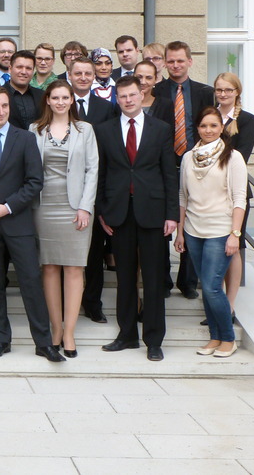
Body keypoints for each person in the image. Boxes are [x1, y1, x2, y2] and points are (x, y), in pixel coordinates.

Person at [0, 86, 62, 362]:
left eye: (4, 106)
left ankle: (43, 342)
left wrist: (7, 207)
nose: (0, 111)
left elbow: (35, 182)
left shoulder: (25, 139)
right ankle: (1, 339)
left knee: (31, 282)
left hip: (17, 223)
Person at [96, 76, 178, 362]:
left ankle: (154, 340)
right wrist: (102, 212)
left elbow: (170, 173)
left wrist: (172, 214)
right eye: (122, 96)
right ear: (116, 99)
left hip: (154, 213)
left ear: (142, 94)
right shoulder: (104, 131)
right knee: (125, 277)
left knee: (154, 279)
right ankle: (127, 335)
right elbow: (101, 174)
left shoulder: (161, 129)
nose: (128, 100)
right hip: (119, 213)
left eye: (132, 95)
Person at [30, 81, 99, 358]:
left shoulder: (86, 130)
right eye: (55, 97)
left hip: (76, 208)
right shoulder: (35, 130)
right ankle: (55, 329)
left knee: (73, 269)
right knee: (49, 268)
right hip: (44, 207)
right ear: (47, 100)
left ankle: (69, 332)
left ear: (72, 100)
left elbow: (93, 169)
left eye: (65, 97)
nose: (60, 102)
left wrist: (85, 207)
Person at [174, 107, 247, 358]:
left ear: (221, 128)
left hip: (220, 230)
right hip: (194, 230)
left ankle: (228, 338)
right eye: (204, 126)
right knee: (206, 287)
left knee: (212, 285)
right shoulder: (188, 157)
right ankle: (214, 338)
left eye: (213, 126)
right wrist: (180, 232)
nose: (208, 130)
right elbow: (183, 196)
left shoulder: (233, 157)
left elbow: (239, 199)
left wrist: (235, 234)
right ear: (198, 128)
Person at [157, 41, 215, 299]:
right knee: (164, 222)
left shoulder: (205, 92)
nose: (176, 65)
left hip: (196, 163)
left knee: (191, 221)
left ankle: (188, 281)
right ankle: (163, 279)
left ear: (190, 61)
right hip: (164, 164)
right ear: (165, 63)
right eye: (171, 61)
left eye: (180, 60)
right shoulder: (156, 91)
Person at [69, 56, 119, 324]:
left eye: (88, 73)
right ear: (70, 74)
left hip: (97, 189)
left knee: (95, 252)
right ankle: (67, 302)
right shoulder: (61, 104)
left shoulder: (106, 107)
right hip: (65, 191)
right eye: (78, 73)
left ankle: (93, 303)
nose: (84, 77)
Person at [215, 72, 254, 317]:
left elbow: (241, 155)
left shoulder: (247, 120)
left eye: (228, 90)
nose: (223, 94)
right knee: (214, 247)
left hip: (235, 192)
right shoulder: (210, 115)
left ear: (237, 92)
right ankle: (215, 302)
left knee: (234, 245)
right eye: (219, 90)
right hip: (209, 194)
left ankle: (229, 305)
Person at [5, 49, 43, 130]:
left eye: (28, 68)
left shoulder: (42, 96)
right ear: (10, 69)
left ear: (33, 71)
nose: (23, 72)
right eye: (19, 67)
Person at [136, 59, 174, 128]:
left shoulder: (165, 105)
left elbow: (169, 133)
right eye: (139, 77)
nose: (143, 82)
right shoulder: (125, 103)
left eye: (149, 78)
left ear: (155, 80)